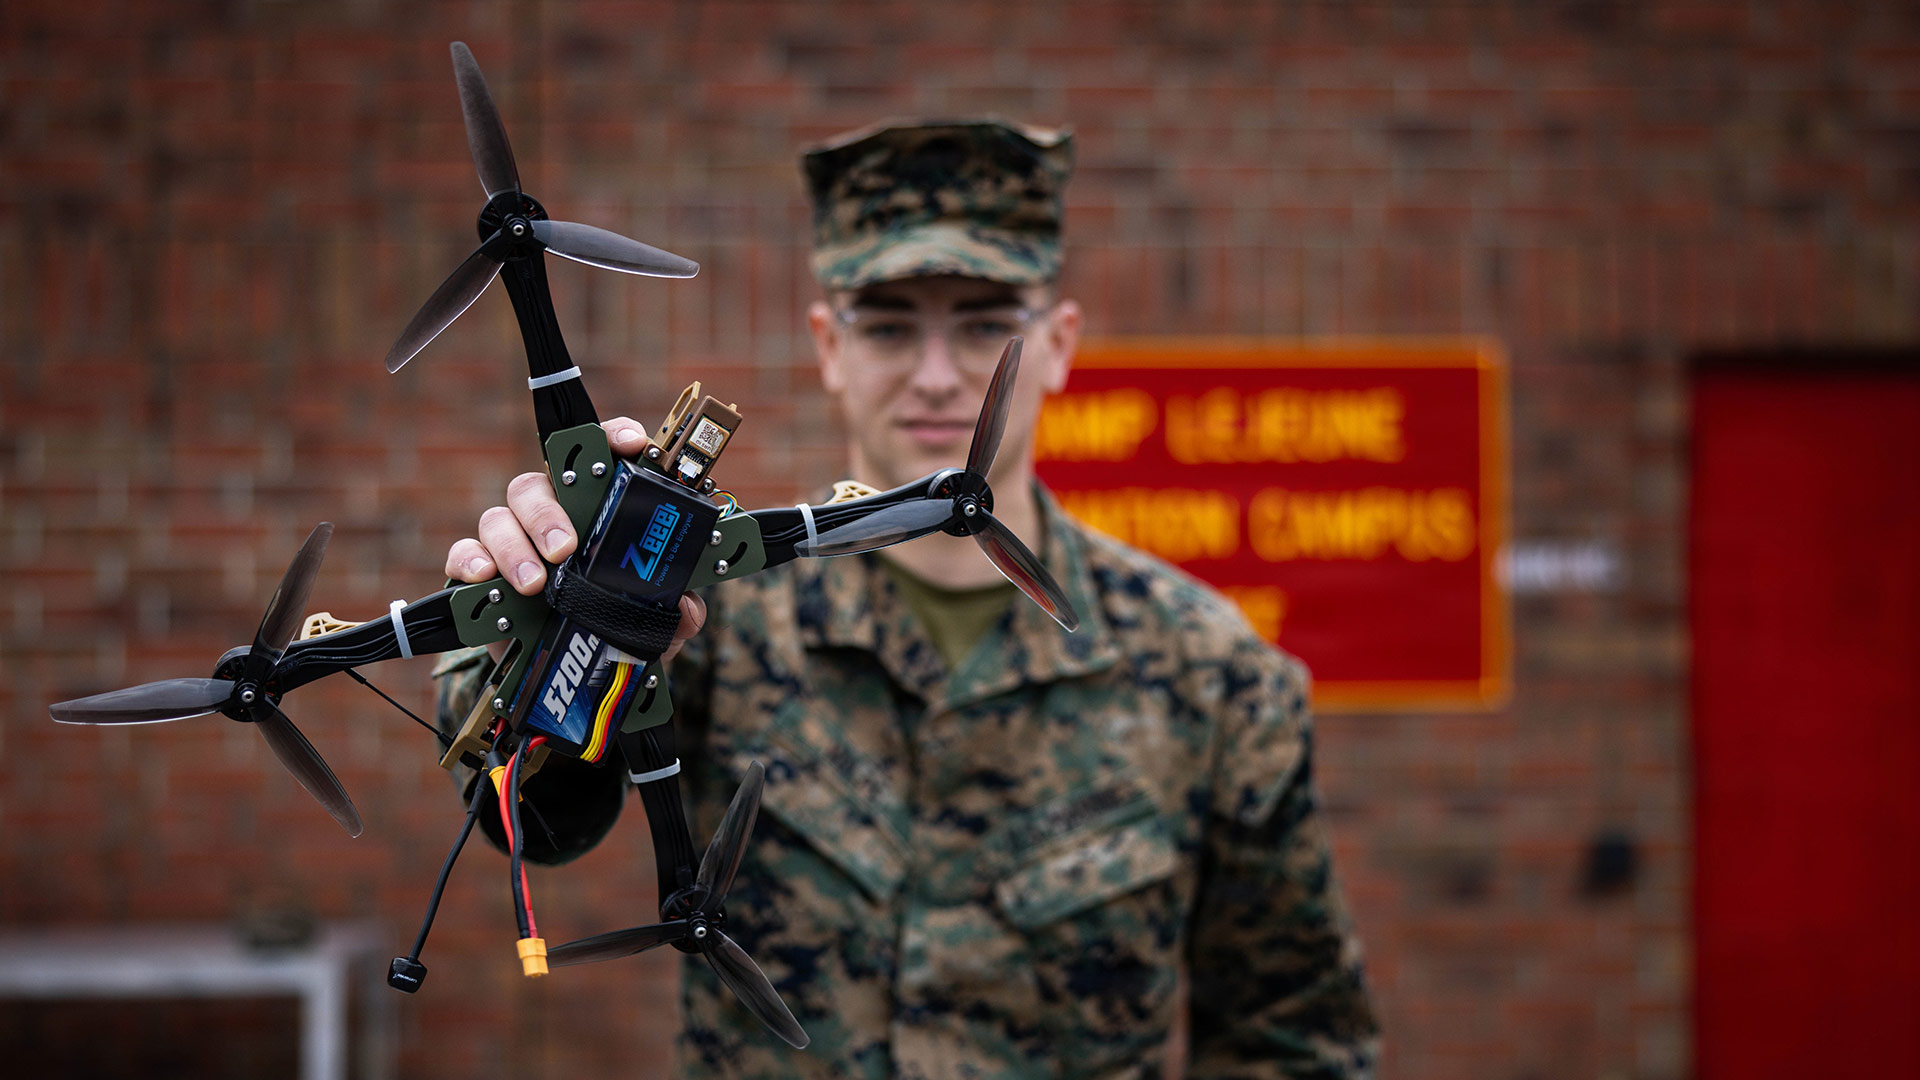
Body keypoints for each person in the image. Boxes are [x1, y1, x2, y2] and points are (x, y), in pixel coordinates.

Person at [436, 118, 1380, 1078]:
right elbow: (526, 818)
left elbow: (1296, 1037)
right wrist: (547, 624)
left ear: (1060, 345)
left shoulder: (1210, 673)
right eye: (888, 326)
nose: (936, 377)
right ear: (828, 346)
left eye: (983, 324)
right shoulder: (710, 616)